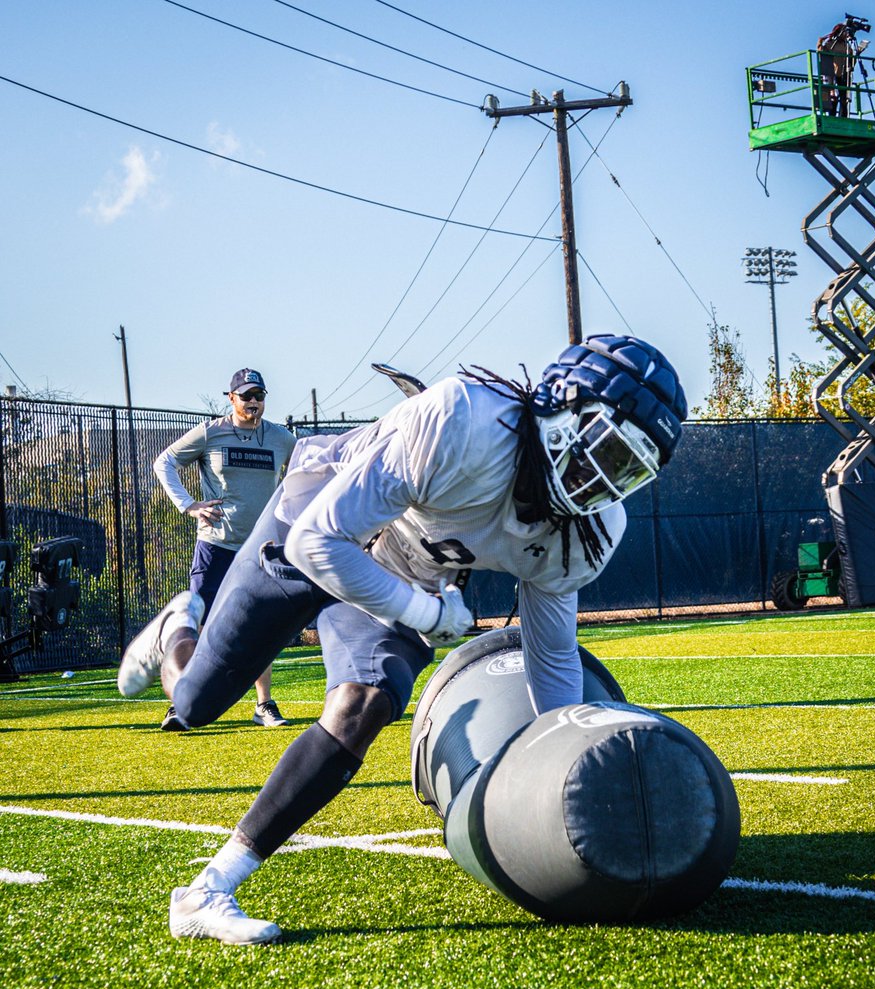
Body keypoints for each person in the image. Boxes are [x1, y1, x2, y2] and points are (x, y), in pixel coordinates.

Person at [118, 334, 687, 944]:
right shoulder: (464, 421)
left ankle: (207, 889)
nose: (602, 479)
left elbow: (551, 658)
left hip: (402, 572)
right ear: (559, 410)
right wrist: (424, 611)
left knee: (365, 703)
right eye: (604, 450)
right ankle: (177, 627)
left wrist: (561, 770)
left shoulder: (592, 529)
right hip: (307, 531)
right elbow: (318, 542)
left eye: (629, 469)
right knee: (195, 703)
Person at [152, 367, 297, 730]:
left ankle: (264, 705)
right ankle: (182, 704)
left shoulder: (281, 439)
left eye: (259, 396)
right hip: (215, 546)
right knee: (199, 624)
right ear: (231, 398)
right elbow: (164, 462)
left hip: (261, 548)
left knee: (261, 625)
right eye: (246, 395)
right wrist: (188, 505)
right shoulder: (210, 433)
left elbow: (304, 473)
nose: (253, 402)